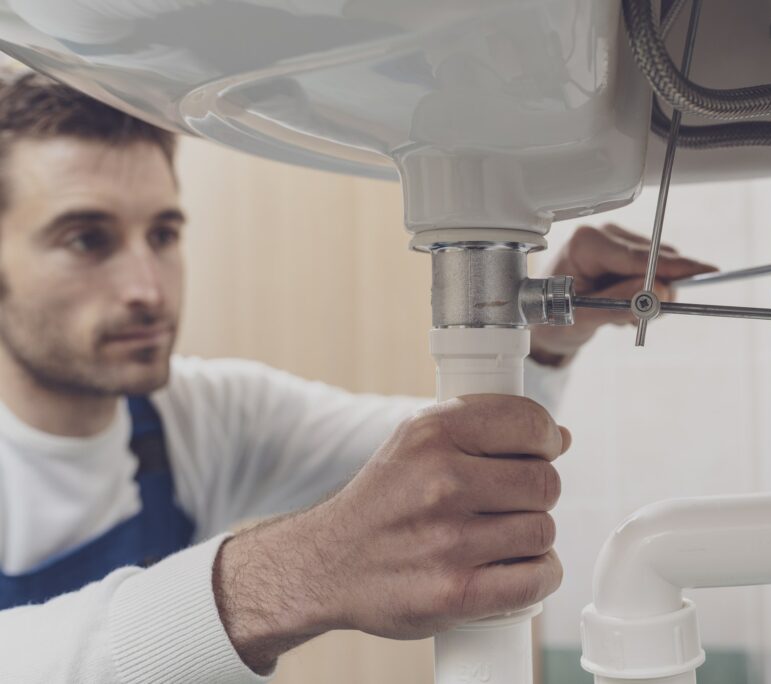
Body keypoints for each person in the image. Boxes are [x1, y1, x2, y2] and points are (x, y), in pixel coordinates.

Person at [0, 71, 714, 682]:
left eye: (162, 235)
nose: (147, 289)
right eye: (87, 238)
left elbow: (453, 461)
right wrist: (294, 574)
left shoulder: (199, 416)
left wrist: (547, 338)